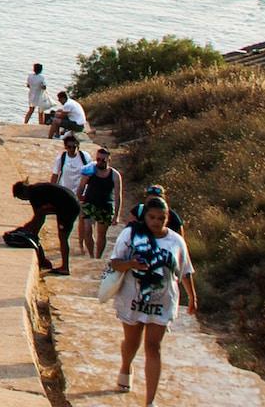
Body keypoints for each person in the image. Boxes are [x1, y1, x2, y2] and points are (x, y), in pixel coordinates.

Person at [108, 196, 197, 402]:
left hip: (163, 300)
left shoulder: (176, 240)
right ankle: (125, 366)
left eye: (161, 218)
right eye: (152, 217)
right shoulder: (130, 234)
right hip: (133, 298)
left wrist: (192, 297)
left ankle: (150, 401)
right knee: (132, 341)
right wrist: (131, 264)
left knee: (153, 347)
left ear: (167, 218)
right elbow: (115, 263)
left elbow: (185, 271)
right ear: (144, 217)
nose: (156, 222)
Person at [10, 179, 78, 274]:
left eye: (21, 197)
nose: (23, 200)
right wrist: (29, 229)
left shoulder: (34, 195)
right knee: (43, 212)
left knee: (63, 237)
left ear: (24, 192)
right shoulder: (35, 189)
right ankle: (64, 266)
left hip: (69, 207)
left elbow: (39, 219)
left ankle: (65, 268)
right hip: (68, 203)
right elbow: (39, 217)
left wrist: (28, 230)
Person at [77, 147, 124, 260]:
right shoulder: (90, 171)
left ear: (109, 160)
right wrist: (81, 200)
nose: (100, 162)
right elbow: (80, 188)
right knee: (88, 230)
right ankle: (92, 256)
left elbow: (118, 196)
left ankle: (98, 257)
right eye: (98, 159)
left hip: (105, 206)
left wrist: (116, 215)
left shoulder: (115, 175)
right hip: (90, 204)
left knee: (101, 235)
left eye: (103, 160)